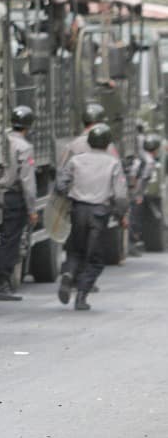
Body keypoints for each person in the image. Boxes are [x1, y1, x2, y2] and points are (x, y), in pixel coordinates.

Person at [55, 124, 128, 311]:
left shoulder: (76, 160)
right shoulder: (113, 163)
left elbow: (60, 184)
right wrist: (121, 215)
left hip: (77, 211)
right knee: (95, 258)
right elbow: (120, 195)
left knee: (74, 251)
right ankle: (81, 296)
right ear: (107, 143)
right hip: (99, 214)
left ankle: (68, 275)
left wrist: (68, 197)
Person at [0, 106, 37, 301]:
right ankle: (2, 282)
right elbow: (27, 180)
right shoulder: (24, 146)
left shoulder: (2, 138)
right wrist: (32, 209)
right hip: (13, 198)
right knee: (10, 240)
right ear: (28, 126)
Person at [126, 134, 156, 257]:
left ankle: (131, 244)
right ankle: (130, 245)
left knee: (133, 218)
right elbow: (142, 179)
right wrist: (137, 195)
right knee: (134, 220)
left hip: (133, 193)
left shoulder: (141, 157)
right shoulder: (149, 161)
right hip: (136, 194)